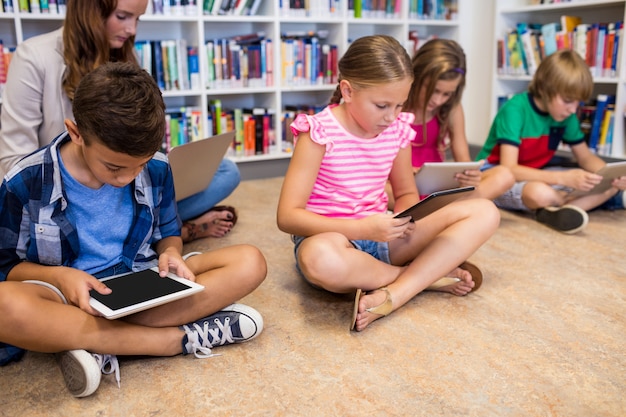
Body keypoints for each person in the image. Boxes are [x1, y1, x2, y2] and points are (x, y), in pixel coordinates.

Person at [0, 62, 267, 398]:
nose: (127, 178)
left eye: (138, 165)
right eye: (114, 167)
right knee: (4, 304)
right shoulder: (24, 182)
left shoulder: (156, 167)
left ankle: (89, 342)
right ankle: (173, 340)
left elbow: (169, 230)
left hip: (141, 280)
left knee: (250, 260)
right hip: (68, 299)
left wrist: (170, 253)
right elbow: (7, 268)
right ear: (76, 132)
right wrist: (61, 278)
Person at [276, 35, 500, 332]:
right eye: (382, 105)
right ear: (348, 90)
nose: (391, 116)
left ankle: (397, 292)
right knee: (320, 260)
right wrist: (363, 229)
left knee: (485, 211)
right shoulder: (317, 132)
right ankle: (420, 277)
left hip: (385, 235)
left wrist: (405, 217)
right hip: (333, 237)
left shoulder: (397, 129)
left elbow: (406, 192)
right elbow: (287, 217)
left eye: (399, 105)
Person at [0, 0, 239, 242]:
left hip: (127, 184)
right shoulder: (34, 57)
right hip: (69, 193)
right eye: (123, 16)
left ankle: (153, 231)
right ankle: (169, 232)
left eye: (138, 19)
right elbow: (13, 162)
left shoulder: (127, 57)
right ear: (89, 11)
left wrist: (146, 167)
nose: (132, 30)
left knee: (226, 171)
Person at [476, 49, 626, 234]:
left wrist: (610, 176)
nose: (573, 109)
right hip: (497, 175)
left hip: (538, 173)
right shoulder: (515, 109)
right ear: (544, 89)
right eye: (568, 100)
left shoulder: (567, 115)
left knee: (607, 186)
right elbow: (510, 169)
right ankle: (569, 203)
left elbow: (585, 157)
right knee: (540, 193)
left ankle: (558, 210)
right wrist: (564, 179)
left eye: (578, 102)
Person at [400, 38, 514, 201]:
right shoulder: (397, 105)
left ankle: (439, 209)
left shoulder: (452, 109)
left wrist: (470, 177)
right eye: (433, 90)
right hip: (399, 185)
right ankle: (447, 210)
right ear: (416, 76)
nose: (438, 100)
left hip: (436, 187)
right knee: (382, 192)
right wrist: (406, 171)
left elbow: (464, 162)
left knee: (504, 175)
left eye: (446, 94)